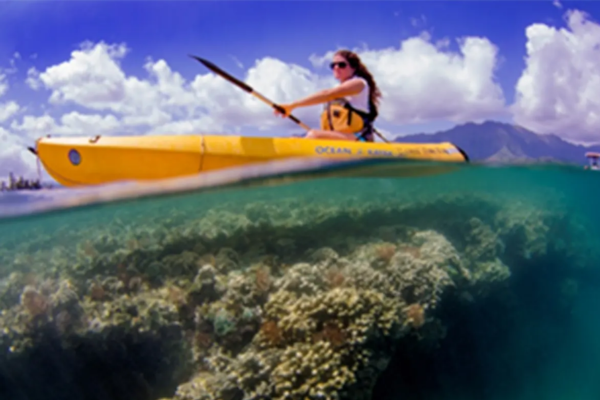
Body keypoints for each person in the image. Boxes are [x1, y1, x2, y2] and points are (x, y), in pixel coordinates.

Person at [274, 49, 382, 142]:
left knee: (314, 135)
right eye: (333, 65)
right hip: (339, 139)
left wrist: (292, 106)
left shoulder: (359, 83)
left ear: (353, 68)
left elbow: (327, 94)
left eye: (341, 65)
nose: (336, 67)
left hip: (359, 139)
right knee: (301, 137)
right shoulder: (338, 88)